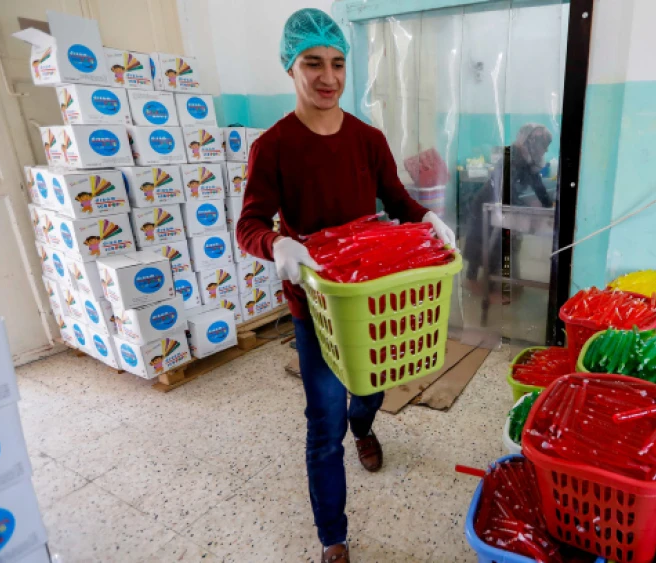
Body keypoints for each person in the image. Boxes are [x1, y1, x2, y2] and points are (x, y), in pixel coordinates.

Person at [235, 9, 455, 563]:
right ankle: (333, 536)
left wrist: (426, 219)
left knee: (371, 391)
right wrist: (277, 245)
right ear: (291, 67)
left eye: (337, 63)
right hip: (318, 309)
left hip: (373, 302)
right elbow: (250, 224)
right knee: (324, 422)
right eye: (313, 63)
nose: (327, 76)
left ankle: (366, 425)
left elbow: (398, 202)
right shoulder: (275, 146)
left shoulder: (368, 138)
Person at [464, 123, 554, 290]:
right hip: (487, 203)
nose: (545, 151)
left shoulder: (528, 159)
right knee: (483, 244)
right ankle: (482, 288)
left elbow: (537, 184)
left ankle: (486, 284)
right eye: (544, 146)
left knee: (490, 245)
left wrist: (548, 205)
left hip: (498, 203)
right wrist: (528, 206)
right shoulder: (513, 157)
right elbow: (507, 190)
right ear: (531, 142)